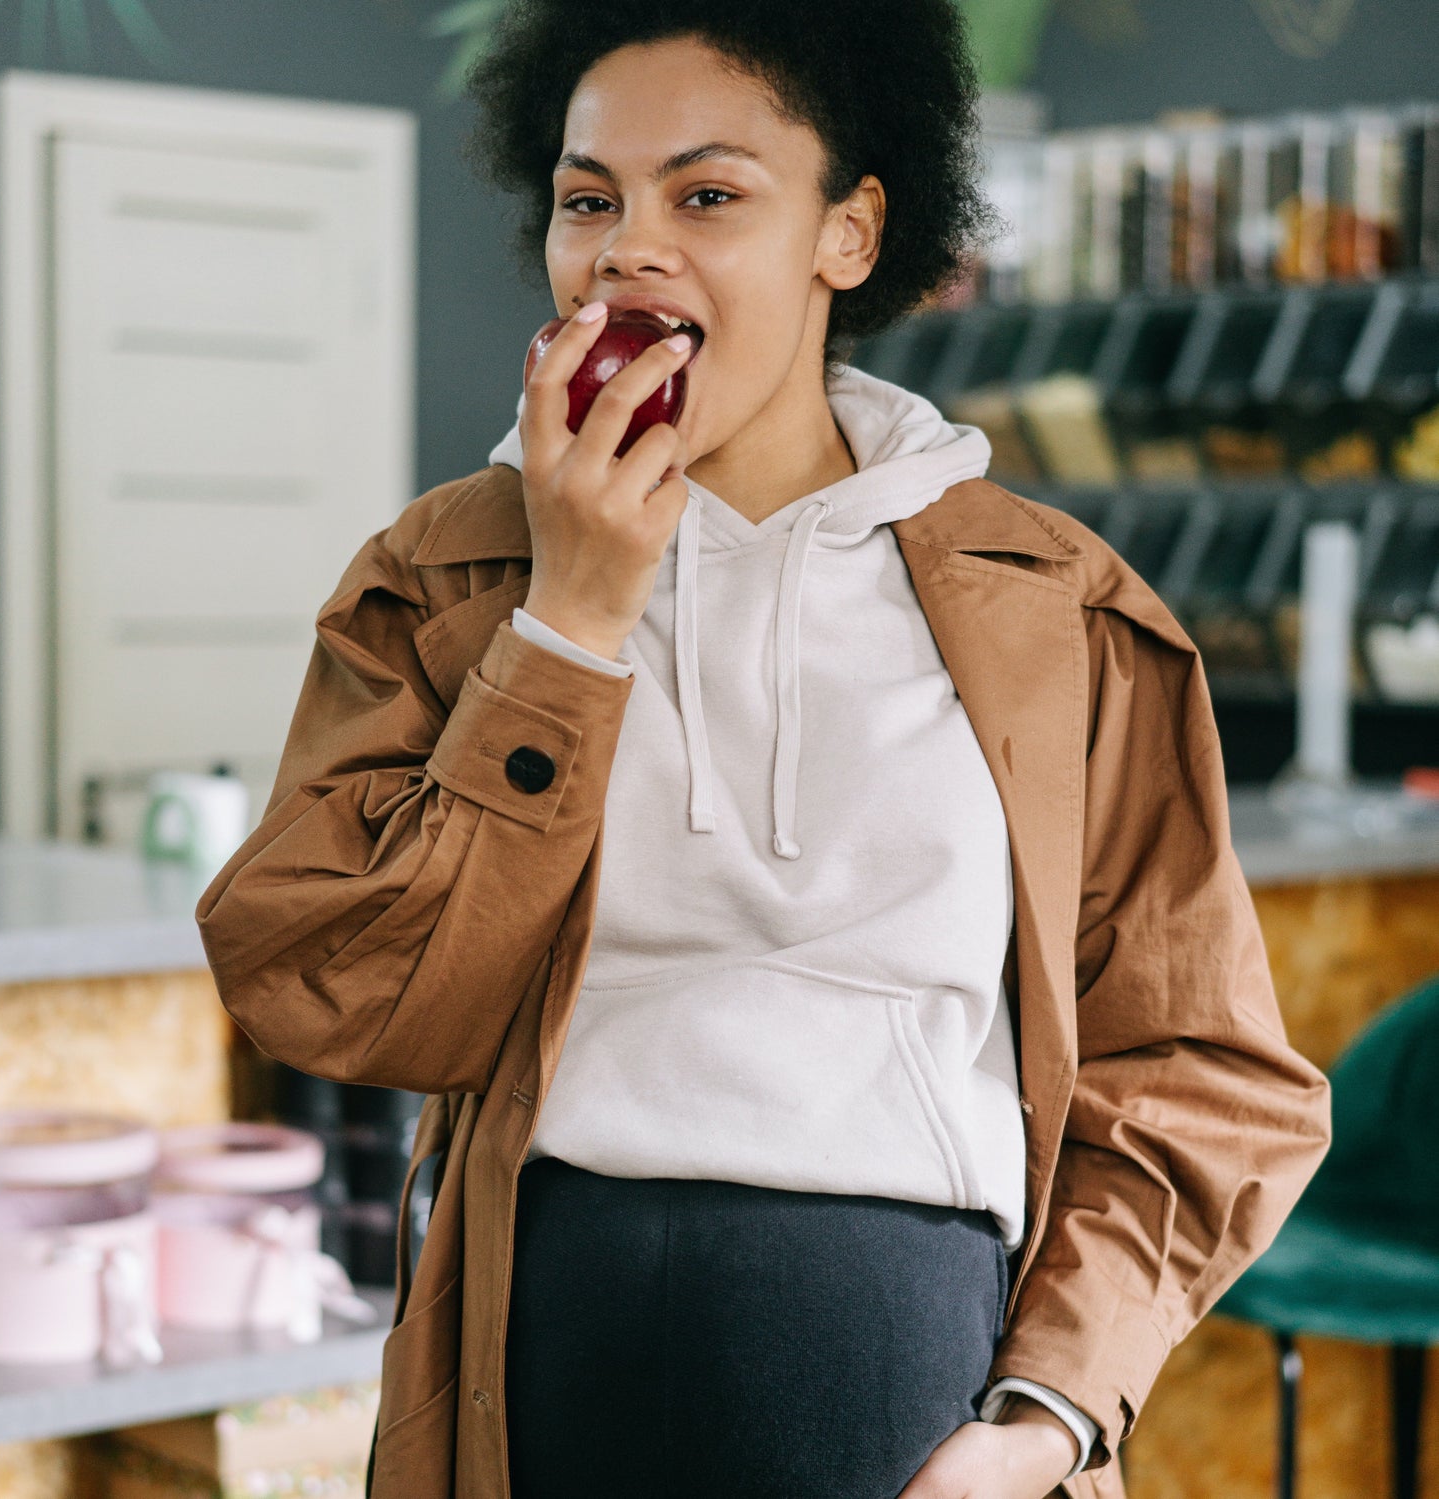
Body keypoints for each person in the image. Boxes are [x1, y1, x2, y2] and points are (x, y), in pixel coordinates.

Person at [196, 2, 1333, 1496]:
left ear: (848, 234)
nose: (627, 248)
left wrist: (1044, 1422)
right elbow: (340, 1000)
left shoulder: (1057, 607)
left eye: (708, 195)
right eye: (588, 198)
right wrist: (571, 623)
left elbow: (1198, 1070)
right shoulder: (448, 577)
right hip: (541, 1373)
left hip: (907, 1389)